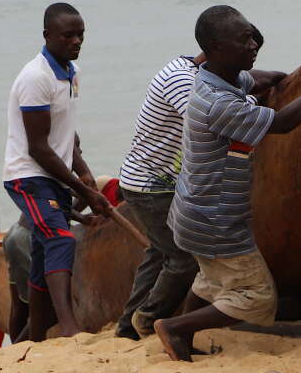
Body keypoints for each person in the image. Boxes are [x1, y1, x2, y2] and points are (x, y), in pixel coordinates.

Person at [155, 5, 301, 362]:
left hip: (192, 210)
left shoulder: (218, 76)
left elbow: (261, 79)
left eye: (253, 36)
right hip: (215, 219)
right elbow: (280, 124)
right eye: (243, 39)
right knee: (258, 297)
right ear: (216, 48)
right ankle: (176, 328)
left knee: (212, 277)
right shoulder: (217, 103)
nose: (253, 45)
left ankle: (181, 334)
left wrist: (293, 78)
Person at [116, 48, 285, 340]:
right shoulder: (184, 82)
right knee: (182, 258)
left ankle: (130, 325)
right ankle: (149, 320)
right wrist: (254, 101)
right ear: (215, 53)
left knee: (159, 252)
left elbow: (252, 79)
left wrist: (282, 79)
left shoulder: (198, 70)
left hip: (160, 180)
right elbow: (222, 116)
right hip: (151, 186)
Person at [1, 2, 113, 341]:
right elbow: (38, 147)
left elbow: (67, 135)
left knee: (40, 259)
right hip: (27, 176)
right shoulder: (37, 78)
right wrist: (85, 192)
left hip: (52, 175)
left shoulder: (71, 73)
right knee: (60, 238)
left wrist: (86, 174)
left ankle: (33, 338)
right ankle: (68, 327)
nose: (76, 41)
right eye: (68, 35)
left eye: (81, 35)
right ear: (47, 35)